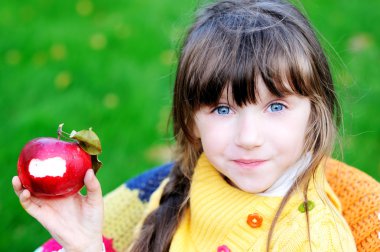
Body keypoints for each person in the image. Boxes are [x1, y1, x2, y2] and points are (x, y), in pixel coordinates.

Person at [13, 0, 358, 251]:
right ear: (191, 122)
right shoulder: (186, 184)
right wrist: (87, 244)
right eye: (222, 109)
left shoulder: (312, 240)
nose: (249, 138)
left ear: (315, 113)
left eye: (277, 105)